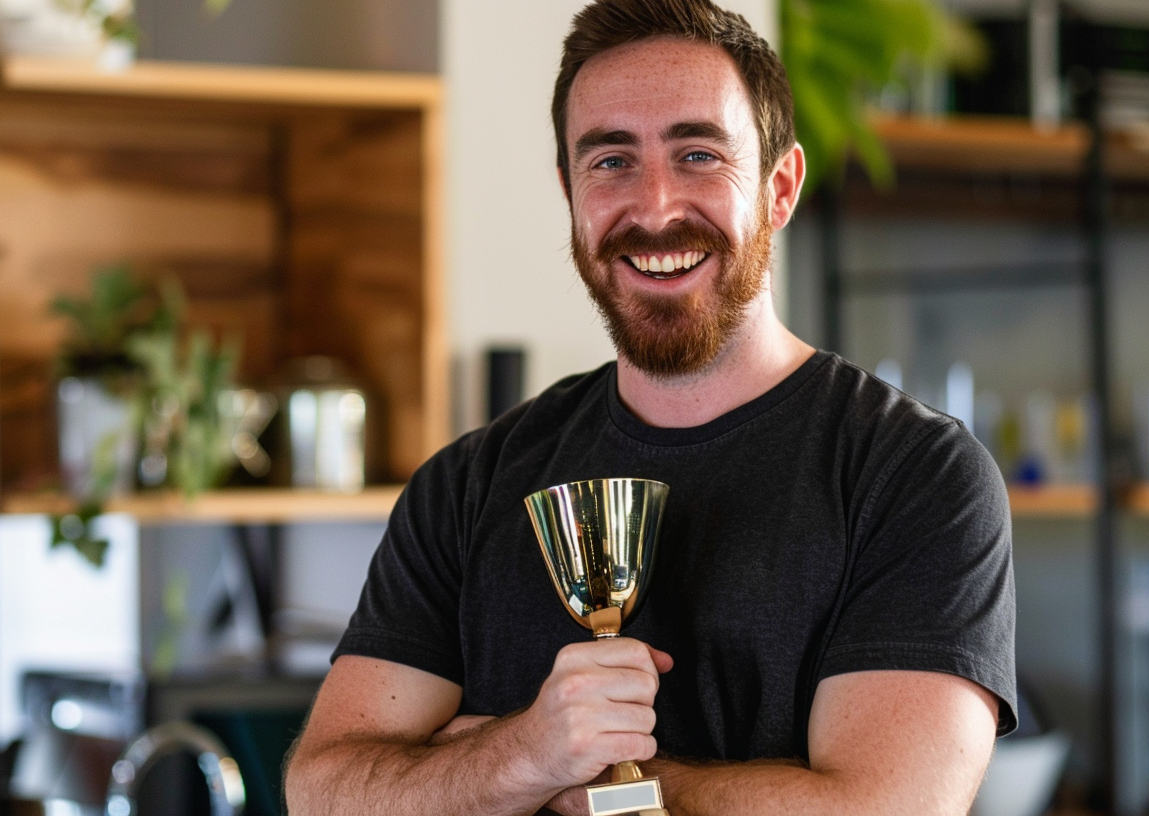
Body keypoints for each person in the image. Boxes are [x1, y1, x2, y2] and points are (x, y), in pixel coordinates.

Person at [284, 0, 1016, 814]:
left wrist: (590, 785)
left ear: (779, 189)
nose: (656, 208)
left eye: (699, 155)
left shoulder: (913, 478)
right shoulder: (468, 484)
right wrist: (528, 750)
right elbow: (324, 792)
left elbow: (883, 810)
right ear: (569, 190)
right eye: (610, 162)